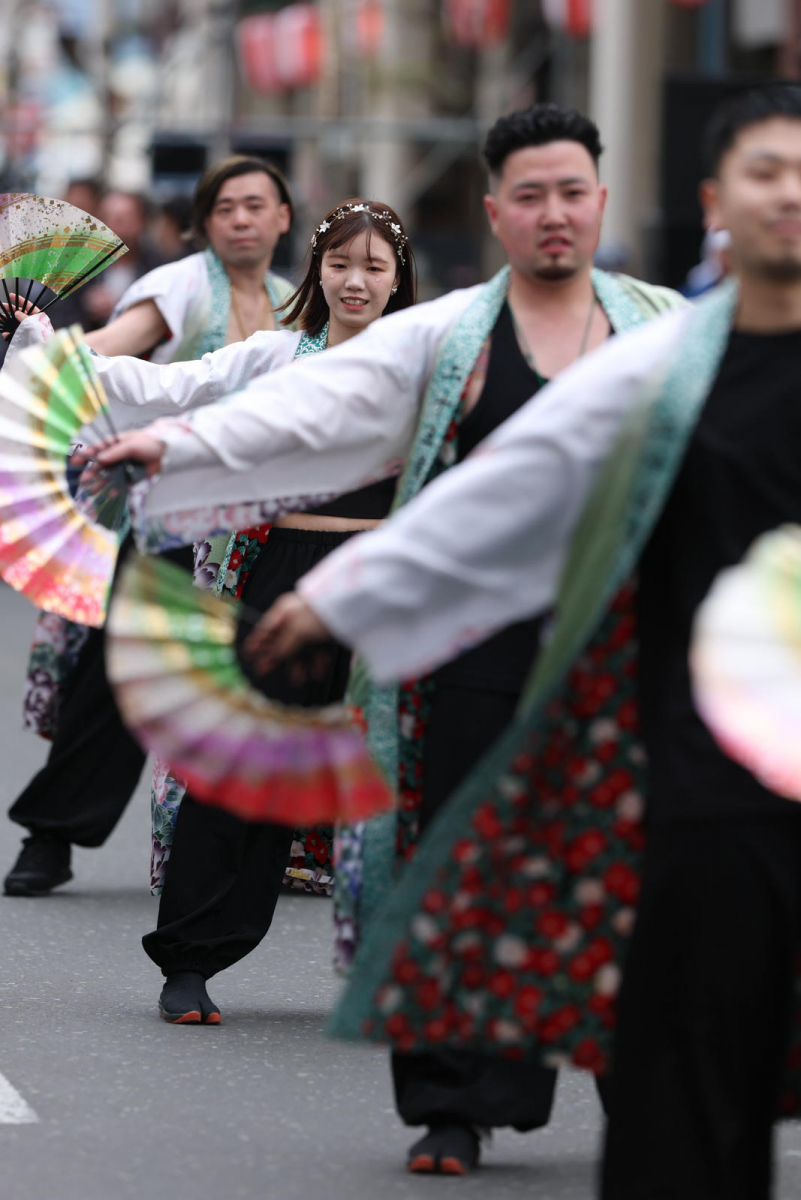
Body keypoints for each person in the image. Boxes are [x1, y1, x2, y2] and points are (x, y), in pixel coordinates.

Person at [75, 103, 684, 1175]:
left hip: (606, 634)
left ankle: (648, 1086)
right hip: (456, 625)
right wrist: (169, 441)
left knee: (605, 860)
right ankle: (450, 1102)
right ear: (496, 211)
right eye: (529, 195)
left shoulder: (667, 329)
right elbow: (299, 412)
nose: (554, 214)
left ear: (601, 199)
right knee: (440, 842)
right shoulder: (445, 337)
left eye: (573, 192)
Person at [3, 155, 296, 900]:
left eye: (256, 206)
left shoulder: (296, 303)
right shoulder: (179, 286)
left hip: (257, 521)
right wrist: (45, 344)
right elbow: (110, 349)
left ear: (283, 219)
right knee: (117, 673)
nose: (241, 219)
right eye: (226, 207)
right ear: (205, 221)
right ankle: (53, 833)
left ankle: (253, 850)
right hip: (164, 506)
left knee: (256, 677)